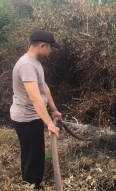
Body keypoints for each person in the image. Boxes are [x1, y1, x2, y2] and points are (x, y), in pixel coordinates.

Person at [10, 30, 62, 189]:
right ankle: (32, 185)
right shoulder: (26, 65)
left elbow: (43, 88)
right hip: (26, 119)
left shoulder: (35, 63)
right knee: (32, 154)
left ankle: (31, 179)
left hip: (32, 117)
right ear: (42, 45)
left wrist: (54, 109)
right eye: (50, 47)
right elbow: (34, 97)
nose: (51, 50)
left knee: (33, 152)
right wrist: (49, 123)